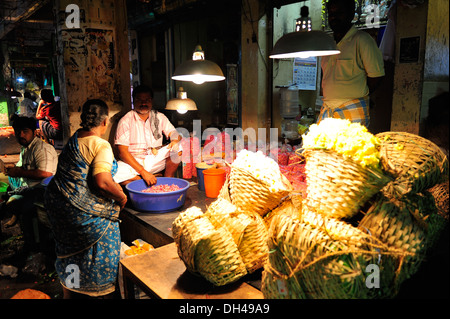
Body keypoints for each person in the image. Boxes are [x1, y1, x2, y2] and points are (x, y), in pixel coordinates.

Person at [44, 99, 127, 299]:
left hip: (60, 210)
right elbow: (103, 182)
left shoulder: (75, 138)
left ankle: (71, 293)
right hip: (83, 218)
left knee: (71, 257)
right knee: (105, 241)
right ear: (105, 121)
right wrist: (121, 197)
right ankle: (99, 293)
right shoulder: (100, 145)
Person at [317, 0, 385, 128]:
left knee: (350, 147)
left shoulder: (362, 40)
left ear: (350, 14)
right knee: (321, 147)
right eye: (331, 13)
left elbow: (376, 77)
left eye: (339, 12)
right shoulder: (327, 43)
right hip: (327, 107)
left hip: (353, 107)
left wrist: (359, 94)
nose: (333, 17)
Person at [0, 115, 58, 251]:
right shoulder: (25, 148)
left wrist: (19, 172)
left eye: (25, 131)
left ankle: (35, 245)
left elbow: (46, 174)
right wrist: (15, 170)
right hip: (31, 189)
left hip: (45, 192)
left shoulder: (42, 149)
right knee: (10, 193)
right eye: (18, 131)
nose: (21, 135)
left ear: (34, 131)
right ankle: (29, 238)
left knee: (12, 204)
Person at [113, 85, 182, 186]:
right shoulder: (126, 120)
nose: (144, 103)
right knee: (113, 174)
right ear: (134, 100)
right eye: (139, 100)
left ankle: (166, 181)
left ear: (152, 101)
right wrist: (143, 172)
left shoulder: (159, 116)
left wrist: (174, 141)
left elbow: (174, 133)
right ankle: (146, 179)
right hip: (133, 162)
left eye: (147, 100)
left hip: (154, 158)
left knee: (178, 147)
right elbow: (122, 153)